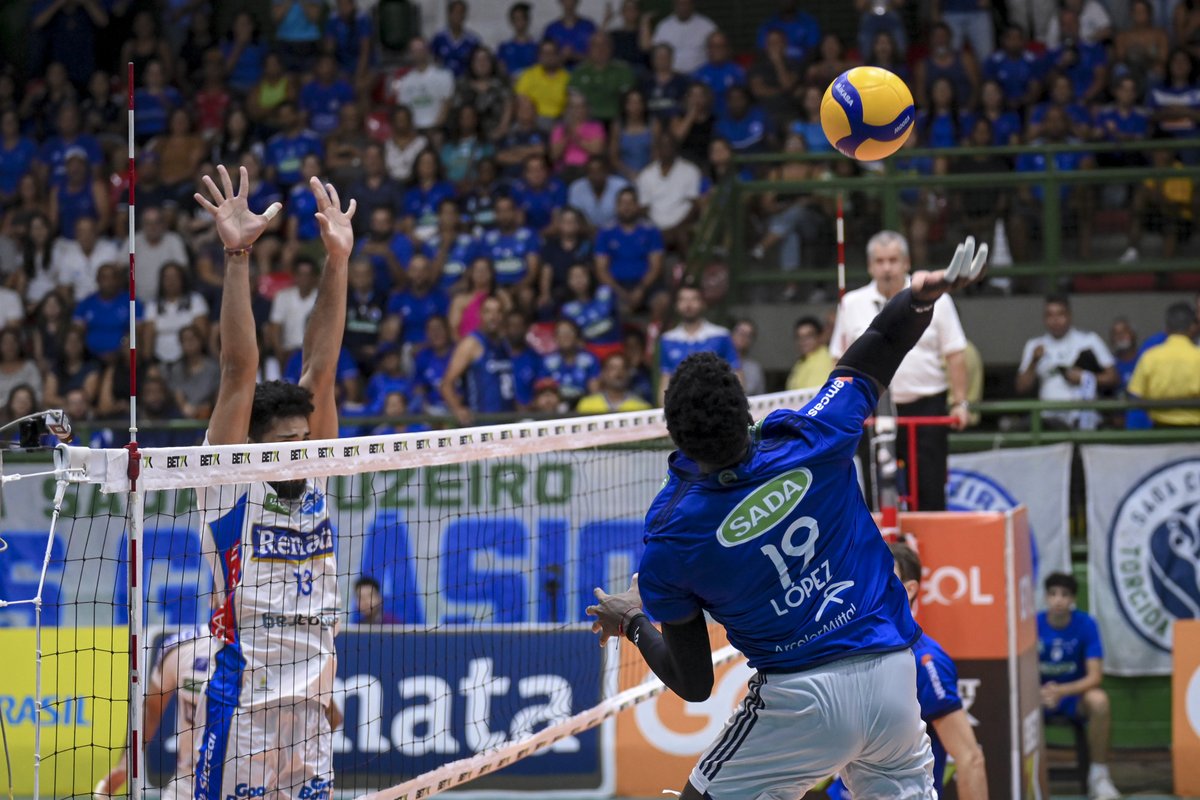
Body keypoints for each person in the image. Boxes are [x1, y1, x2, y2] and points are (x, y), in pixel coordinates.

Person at [586, 238, 989, 799]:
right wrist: (920, 296)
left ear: (677, 436)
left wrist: (632, 621)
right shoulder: (812, 436)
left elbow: (696, 684)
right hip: (894, 675)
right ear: (746, 406)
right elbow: (877, 347)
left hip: (799, 700)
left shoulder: (671, 539)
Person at [191, 164, 354, 798]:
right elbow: (239, 371)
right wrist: (237, 256)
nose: (297, 452)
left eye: (301, 441)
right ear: (255, 449)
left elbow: (322, 366)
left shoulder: (315, 472)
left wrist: (337, 263)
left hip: (312, 720)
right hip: (245, 715)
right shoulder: (232, 480)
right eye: (283, 444)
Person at [830, 231, 970, 511]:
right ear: (870, 266)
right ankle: (879, 550)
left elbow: (955, 353)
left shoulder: (936, 297)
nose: (887, 268)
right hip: (870, 410)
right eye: (880, 261)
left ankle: (930, 554)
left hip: (925, 406)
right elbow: (839, 360)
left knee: (929, 489)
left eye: (893, 260)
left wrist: (960, 403)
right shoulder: (851, 303)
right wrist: (840, 409)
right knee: (872, 492)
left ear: (906, 262)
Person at [889, 542, 989, 800]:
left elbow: (970, 759)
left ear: (909, 590)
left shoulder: (924, 660)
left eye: (884, 575)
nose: (870, 583)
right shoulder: (844, 646)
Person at [95, 626, 218, 800]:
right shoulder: (182, 646)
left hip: (255, 782)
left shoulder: (268, 650)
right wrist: (127, 762)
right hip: (190, 782)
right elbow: (152, 708)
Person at [1039, 572, 1120, 800]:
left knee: (1099, 700)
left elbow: (1095, 677)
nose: (1058, 600)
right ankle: (1023, 776)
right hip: (1038, 698)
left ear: (1073, 599)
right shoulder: (1032, 624)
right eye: (1053, 594)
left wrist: (1061, 691)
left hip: (1072, 698)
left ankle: (1099, 776)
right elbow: (1018, 673)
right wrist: (1038, 693)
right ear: (1046, 597)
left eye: (1064, 595)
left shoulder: (1086, 624)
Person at [1016, 294, 1118, 430]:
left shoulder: (1089, 340)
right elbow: (1021, 387)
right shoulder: (1034, 345)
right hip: (1049, 420)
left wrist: (1083, 377)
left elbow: (1113, 378)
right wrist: (1034, 361)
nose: (1055, 320)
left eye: (1060, 314)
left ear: (1069, 316)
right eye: (1049, 315)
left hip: (1083, 417)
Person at [658, 279, 740, 404]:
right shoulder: (667, 339)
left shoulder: (721, 335)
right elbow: (665, 379)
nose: (688, 304)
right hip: (681, 408)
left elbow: (736, 373)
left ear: (703, 303)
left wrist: (737, 405)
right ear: (676, 305)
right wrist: (664, 411)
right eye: (683, 299)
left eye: (693, 299)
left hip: (717, 405)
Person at [440, 293, 516, 425]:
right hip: (481, 423)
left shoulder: (504, 344)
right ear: (480, 315)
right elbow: (446, 384)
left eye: (498, 312)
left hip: (506, 421)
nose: (493, 317)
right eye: (488, 312)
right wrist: (458, 409)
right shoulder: (471, 343)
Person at [1128, 303, 1200, 427]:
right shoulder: (1198, 357)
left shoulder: (1150, 357)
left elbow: (1135, 394)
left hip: (1160, 431)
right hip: (1195, 433)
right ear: (1192, 328)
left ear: (1166, 328)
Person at [595, 187, 663, 308]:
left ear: (637, 205)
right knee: (609, 303)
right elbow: (601, 270)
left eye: (631, 203)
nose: (626, 207)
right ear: (616, 206)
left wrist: (640, 289)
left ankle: (654, 327)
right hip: (616, 285)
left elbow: (656, 267)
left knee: (663, 300)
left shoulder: (651, 230)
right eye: (622, 203)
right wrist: (619, 292)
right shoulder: (605, 232)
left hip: (645, 284)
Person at [651, 0, 717, 74]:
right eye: (680, 4)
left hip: (700, 77)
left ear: (693, 5)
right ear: (674, 5)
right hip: (673, 78)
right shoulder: (663, 26)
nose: (683, 7)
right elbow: (656, 52)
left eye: (686, 4)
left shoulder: (707, 26)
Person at [576, 352, 652, 413]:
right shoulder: (586, 405)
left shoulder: (642, 408)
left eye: (623, 368)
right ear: (603, 373)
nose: (618, 373)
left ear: (629, 373)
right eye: (612, 368)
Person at [430, 0, 482, 78]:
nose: (457, 16)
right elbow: (432, 60)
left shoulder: (473, 40)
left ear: (465, 15)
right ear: (449, 15)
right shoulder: (439, 38)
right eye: (455, 12)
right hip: (443, 80)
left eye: (461, 13)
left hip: (465, 81)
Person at [787, 315, 835, 391]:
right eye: (799, 337)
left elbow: (814, 394)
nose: (803, 341)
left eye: (808, 336)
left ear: (820, 336)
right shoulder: (803, 360)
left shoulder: (822, 360)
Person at [731, 319, 765, 396]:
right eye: (740, 332)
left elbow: (761, 397)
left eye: (749, 335)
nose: (743, 337)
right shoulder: (718, 362)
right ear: (732, 333)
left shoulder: (754, 368)